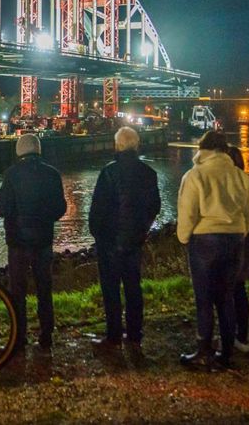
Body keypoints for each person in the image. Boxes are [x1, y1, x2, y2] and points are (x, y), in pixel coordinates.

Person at [176, 130, 249, 371]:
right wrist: (240, 231)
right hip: (234, 240)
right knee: (226, 297)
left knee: (204, 298)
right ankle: (227, 351)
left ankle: (204, 351)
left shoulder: (195, 175)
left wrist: (184, 237)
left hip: (205, 240)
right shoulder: (240, 175)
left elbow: (188, 212)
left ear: (203, 149)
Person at [87, 127, 160, 351]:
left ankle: (113, 336)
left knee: (111, 290)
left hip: (109, 242)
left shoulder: (108, 172)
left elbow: (97, 210)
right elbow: (154, 207)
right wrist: (142, 230)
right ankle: (135, 334)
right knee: (133, 288)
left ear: (117, 145)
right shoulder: (149, 173)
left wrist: (98, 235)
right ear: (136, 145)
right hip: (135, 241)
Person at [0, 133, 67, 351]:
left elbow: (2, 208)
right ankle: (46, 335)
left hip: (17, 242)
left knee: (17, 291)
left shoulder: (12, 174)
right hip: (43, 241)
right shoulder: (52, 174)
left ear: (19, 151)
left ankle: (19, 337)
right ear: (38, 150)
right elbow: (60, 208)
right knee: (44, 289)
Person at [225, 145, 249, 353]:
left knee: (225, 292)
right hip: (244, 242)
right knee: (239, 290)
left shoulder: (222, 182)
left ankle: (228, 336)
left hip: (226, 243)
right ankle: (241, 336)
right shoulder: (247, 181)